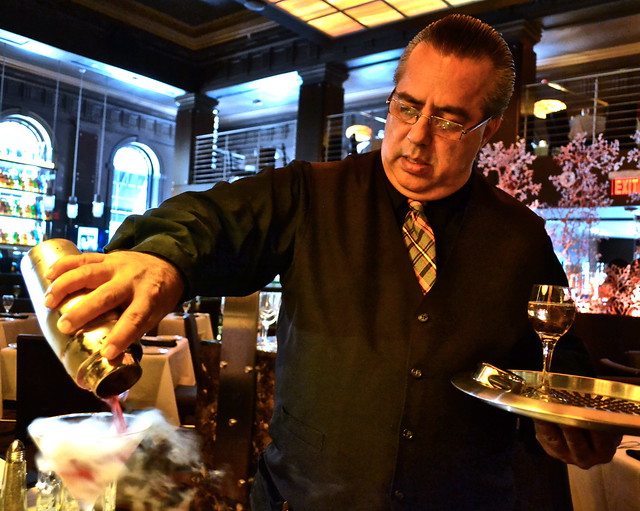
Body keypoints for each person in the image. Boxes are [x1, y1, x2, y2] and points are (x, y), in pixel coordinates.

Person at [43, 14, 620, 511]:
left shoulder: (521, 237)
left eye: (448, 120)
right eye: (407, 107)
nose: (417, 138)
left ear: (488, 128)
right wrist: (163, 261)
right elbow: (210, 220)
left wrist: (569, 421)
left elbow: (557, 353)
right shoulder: (308, 194)